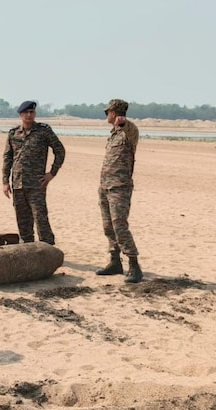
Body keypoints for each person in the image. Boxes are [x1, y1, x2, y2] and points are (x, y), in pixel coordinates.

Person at [2, 100, 65, 245]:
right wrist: (5, 181)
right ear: (20, 115)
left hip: (37, 184)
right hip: (18, 184)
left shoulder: (44, 131)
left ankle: (48, 247)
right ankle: (28, 247)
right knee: (22, 220)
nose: (29, 115)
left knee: (40, 218)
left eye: (32, 112)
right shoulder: (13, 134)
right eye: (26, 113)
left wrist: (52, 173)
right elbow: (7, 158)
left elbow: (60, 151)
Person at [96, 99, 143, 283]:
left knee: (119, 226)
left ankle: (134, 266)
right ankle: (115, 261)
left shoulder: (128, 132)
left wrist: (124, 122)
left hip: (120, 188)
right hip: (105, 186)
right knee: (108, 227)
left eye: (108, 112)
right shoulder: (113, 134)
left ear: (114, 113)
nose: (107, 115)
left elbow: (130, 127)